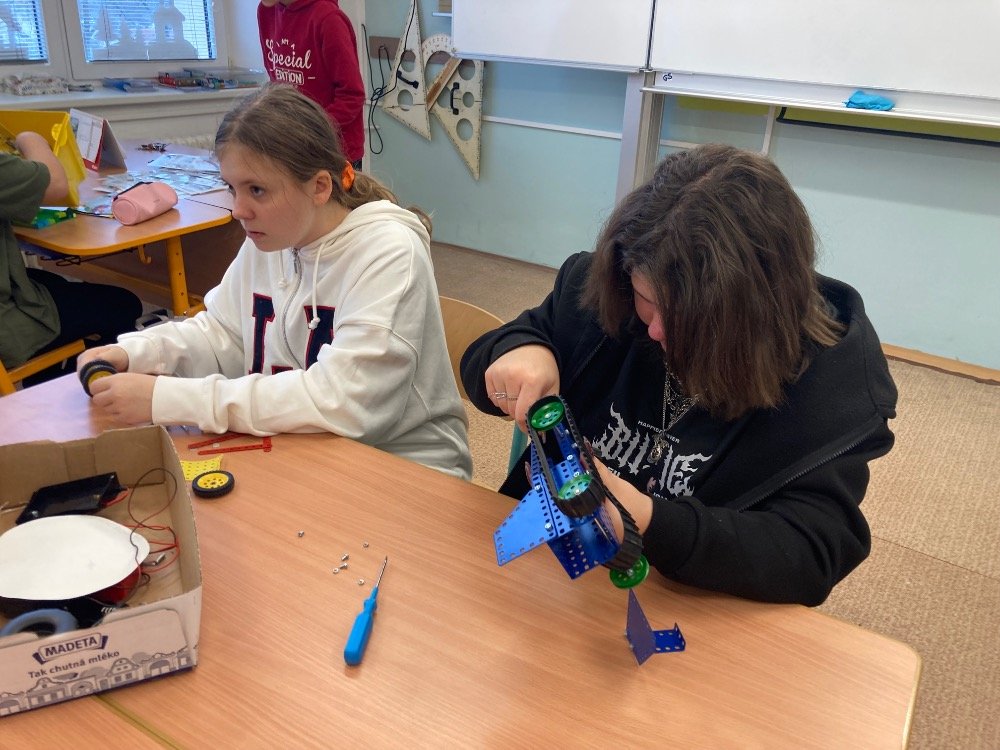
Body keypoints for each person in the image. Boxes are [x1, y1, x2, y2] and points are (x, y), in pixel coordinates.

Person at [460, 144, 898, 605]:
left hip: (687, 601)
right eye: (647, 298)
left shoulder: (831, 388)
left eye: (690, 318)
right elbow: (489, 357)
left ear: (754, 313)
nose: (656, 330)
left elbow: (811, 555)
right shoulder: (605, 292)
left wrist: (648, 518)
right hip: (540, 575)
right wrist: (520, 350)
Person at [77, 83, 471, 480]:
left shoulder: (389, 250)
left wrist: (168, 398)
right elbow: (224, 333)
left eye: (257, 190)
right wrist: (139, 352)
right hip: (302, 446)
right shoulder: (273, 238)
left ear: (320, 186)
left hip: (405, 465)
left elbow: (347, 404)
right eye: (232, 188)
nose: (238, 210)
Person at [1, 131, 142, 384]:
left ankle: (44, 381)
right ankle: (71, 392)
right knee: (124, 304)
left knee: (55, 284)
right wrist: (30, 138)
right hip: (7, 325)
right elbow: (56, 185)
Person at [258, 0, 366, 168]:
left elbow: (352, 95)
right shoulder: (266, 11)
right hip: (293, 147)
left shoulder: (329, 19)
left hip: (334, 151)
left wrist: (307, 130)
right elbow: (275, 80)